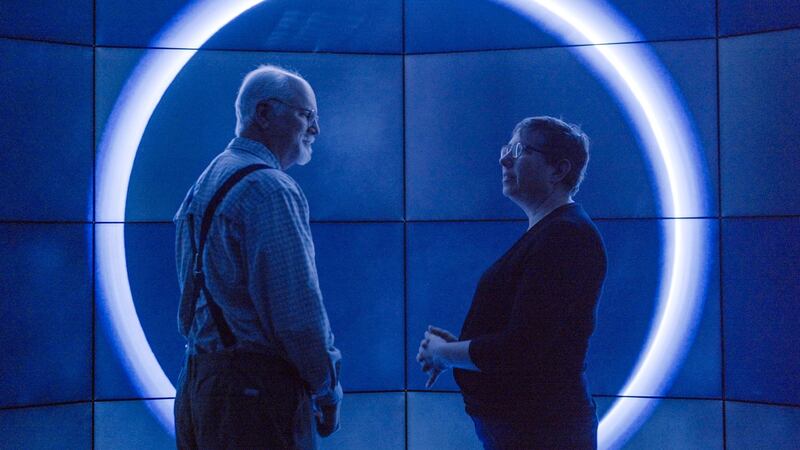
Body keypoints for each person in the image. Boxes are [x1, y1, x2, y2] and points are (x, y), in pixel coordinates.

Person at [173, 64, 342, 449]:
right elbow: (298, 318)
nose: (316, 129)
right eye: (307, 115)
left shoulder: (205, 182)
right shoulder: (271, 189)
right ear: (264, 113)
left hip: (199, 385)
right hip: (255, 397)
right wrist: (326, 388)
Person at [417, 116, 607, 449]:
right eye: (507, 149)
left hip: (540, 433)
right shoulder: (555, 232)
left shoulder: (565, 235)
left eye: (520, 150)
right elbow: (529, 338)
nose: (504, 159)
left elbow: (522, 348)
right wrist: (462, 349)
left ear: (558, 169)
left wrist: (444, 353)